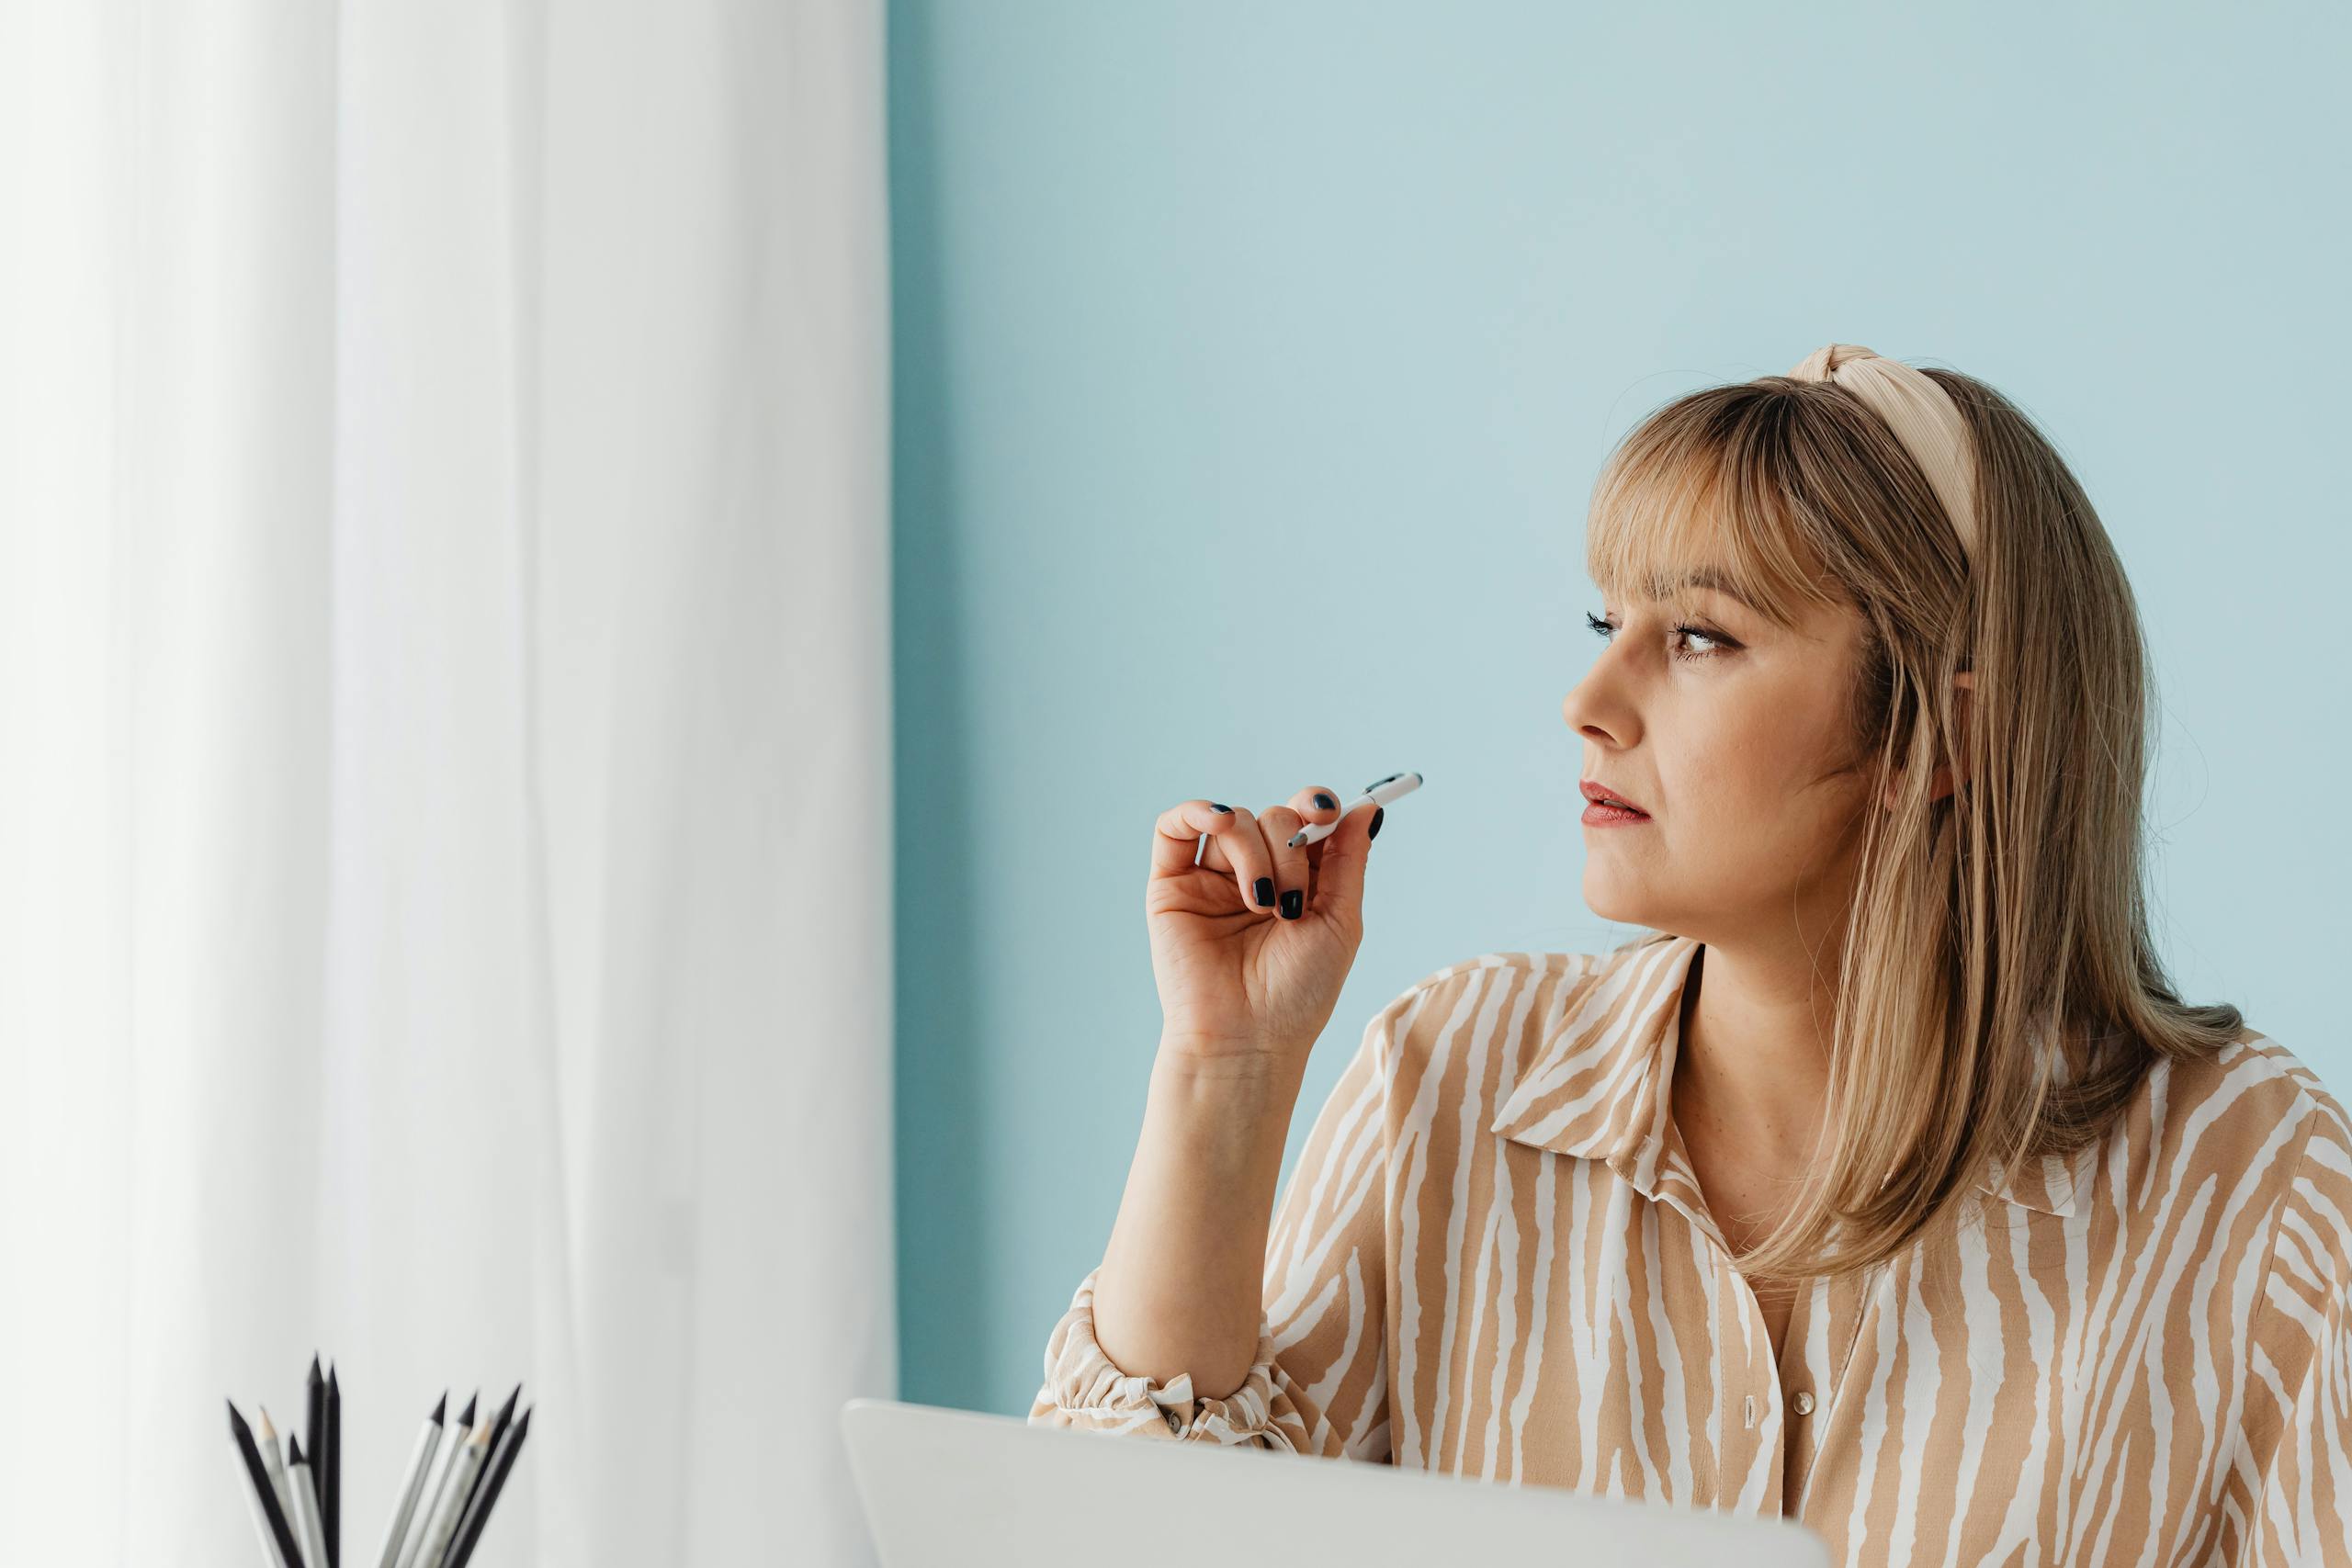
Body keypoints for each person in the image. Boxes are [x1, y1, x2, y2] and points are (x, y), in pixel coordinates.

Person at [1026, 344, 2352, 1565]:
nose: (1589, 704)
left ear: (1938, 741)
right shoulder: (1455, 1081)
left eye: (1700, 638)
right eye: (1609, 630)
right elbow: (1118, 1545)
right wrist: (1225, 1066)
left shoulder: (2254, 1184)